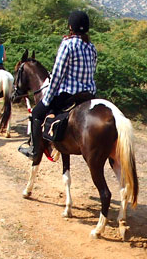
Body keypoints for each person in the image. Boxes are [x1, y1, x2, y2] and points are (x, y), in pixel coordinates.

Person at [20, 10, 97, 159]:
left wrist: (47, 99)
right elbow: (92, 72)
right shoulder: (91, 47)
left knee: (36, 113)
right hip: (88, 95)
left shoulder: (67, 44)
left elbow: (57, 74)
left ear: (70, 27)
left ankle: (35, 151)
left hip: (69, 95)